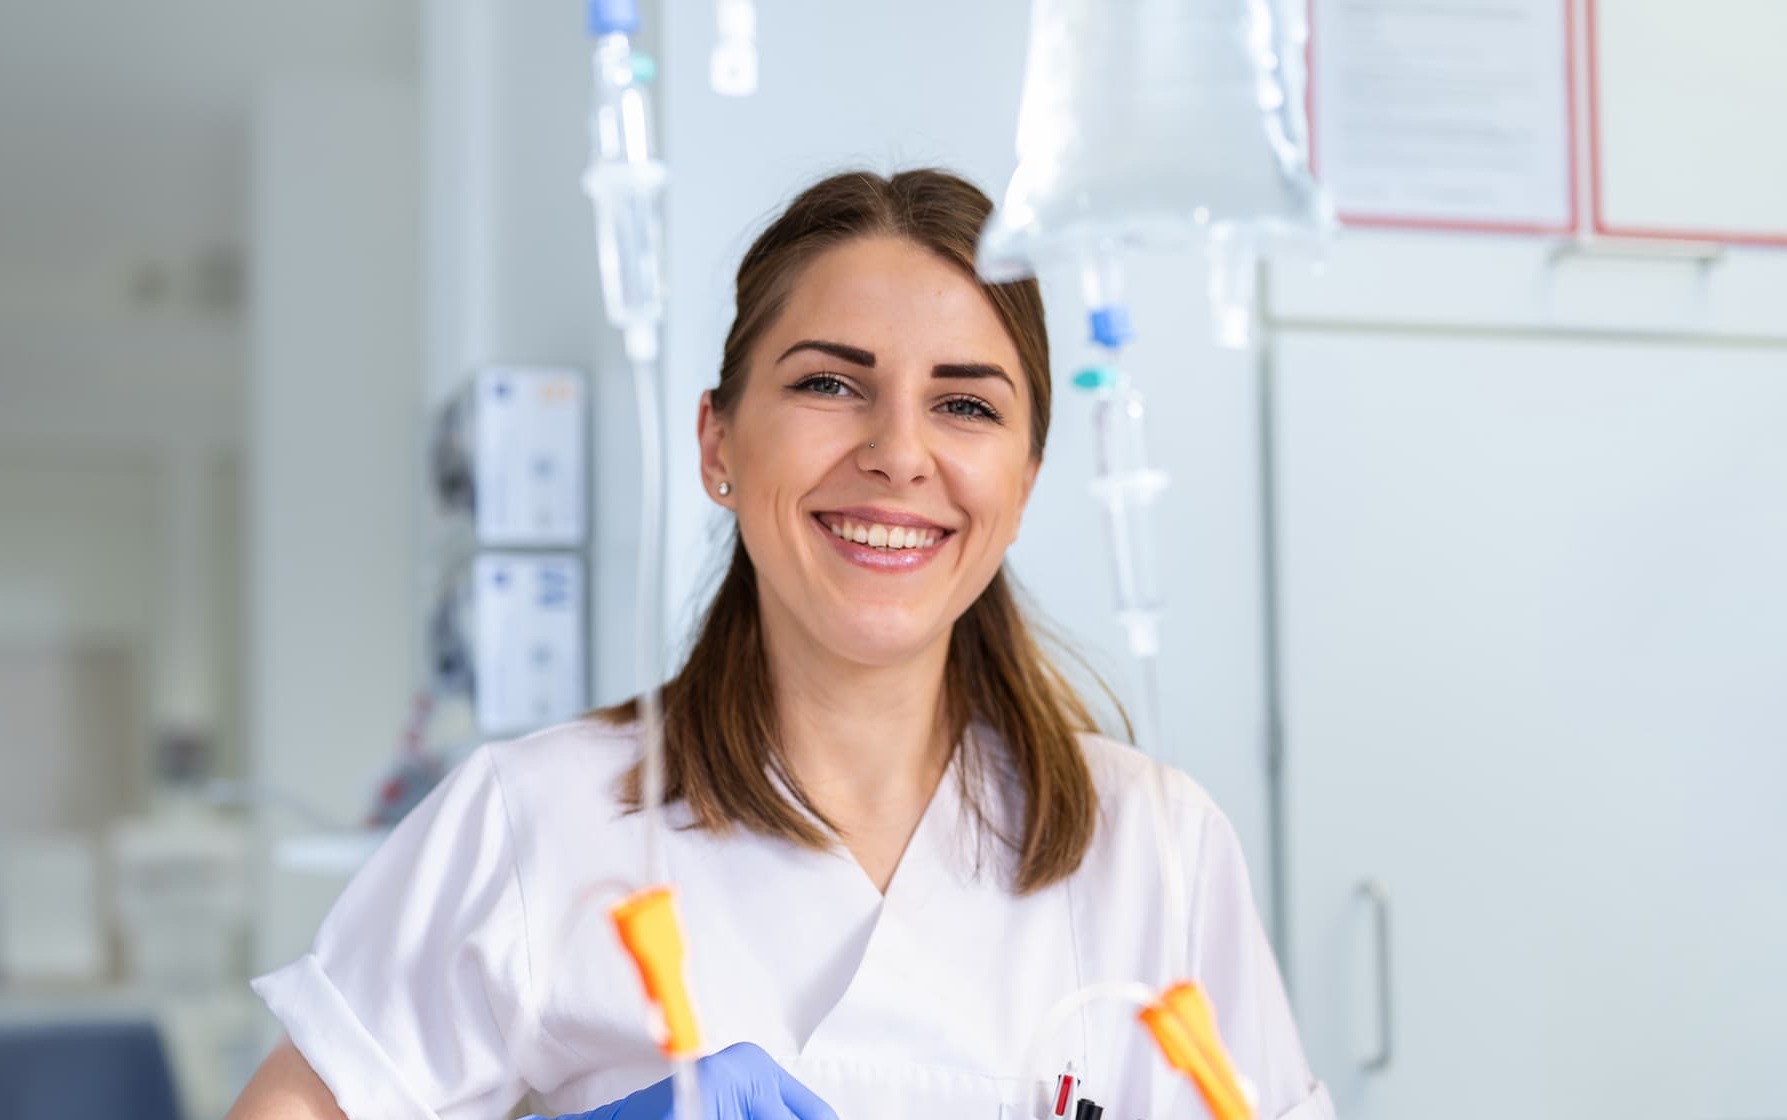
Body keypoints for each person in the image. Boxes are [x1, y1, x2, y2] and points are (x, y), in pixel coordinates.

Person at [226, 169, 1333, 1120]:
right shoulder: (538, 817)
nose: (899, 453)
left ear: (1026, 479)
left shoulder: (1156, 847)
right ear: (718, 442)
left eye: (967, 406)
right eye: (829, 385)